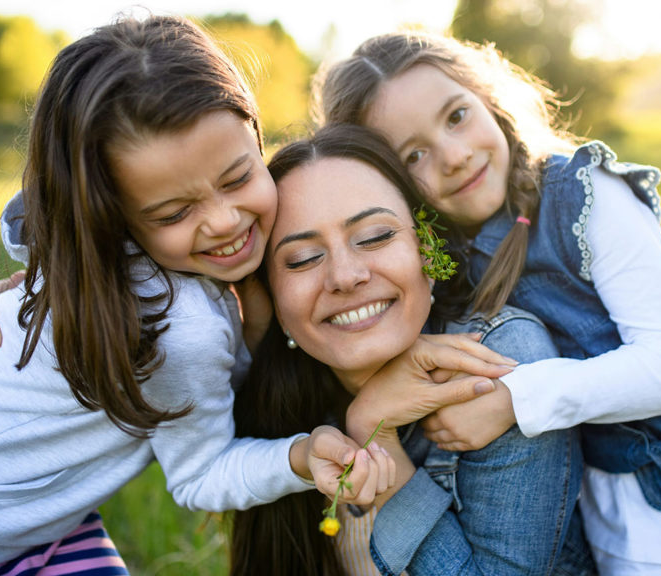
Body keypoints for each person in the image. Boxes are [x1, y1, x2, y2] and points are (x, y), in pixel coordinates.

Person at [0, 18, 507, 573]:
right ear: (116, 218)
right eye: (175, 212)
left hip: (31, 527)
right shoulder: (179, 328)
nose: (225, 222)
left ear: (256, 140)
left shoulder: (126, 250)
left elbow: (29, 222)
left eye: (238, 176)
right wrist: (303, 452)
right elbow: (199, 476)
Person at [313, 31, 661, 575]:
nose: (454, 156)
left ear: (486, 98)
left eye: (457, 116)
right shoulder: (439, 262)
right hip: (641, 497)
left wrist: (515, 399)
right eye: (414, 155)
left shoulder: (578, 193)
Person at [228, 124, 592, 575]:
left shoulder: (498, 364)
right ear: (276, 303)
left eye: (376, 236)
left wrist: (372, 430)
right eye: (302, 259)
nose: (345, 276)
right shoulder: (281, 405)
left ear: (428, 252)